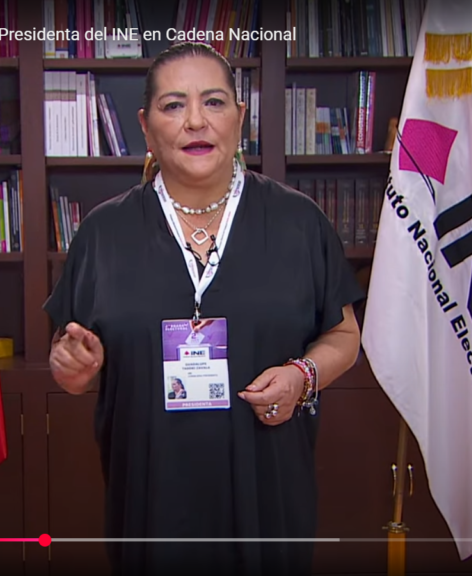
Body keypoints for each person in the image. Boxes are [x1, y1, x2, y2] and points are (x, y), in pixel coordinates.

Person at [44, 42, 364, 576]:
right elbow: (71, 358)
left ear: (240, 116)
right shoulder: (104, 232)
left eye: (213, 102)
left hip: (268, 497)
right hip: (149, 503)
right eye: (173, 105)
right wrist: (73, 368)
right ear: (146, 126)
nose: (195, 120)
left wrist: (302, 376)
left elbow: (344, 336)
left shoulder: (298, 221)